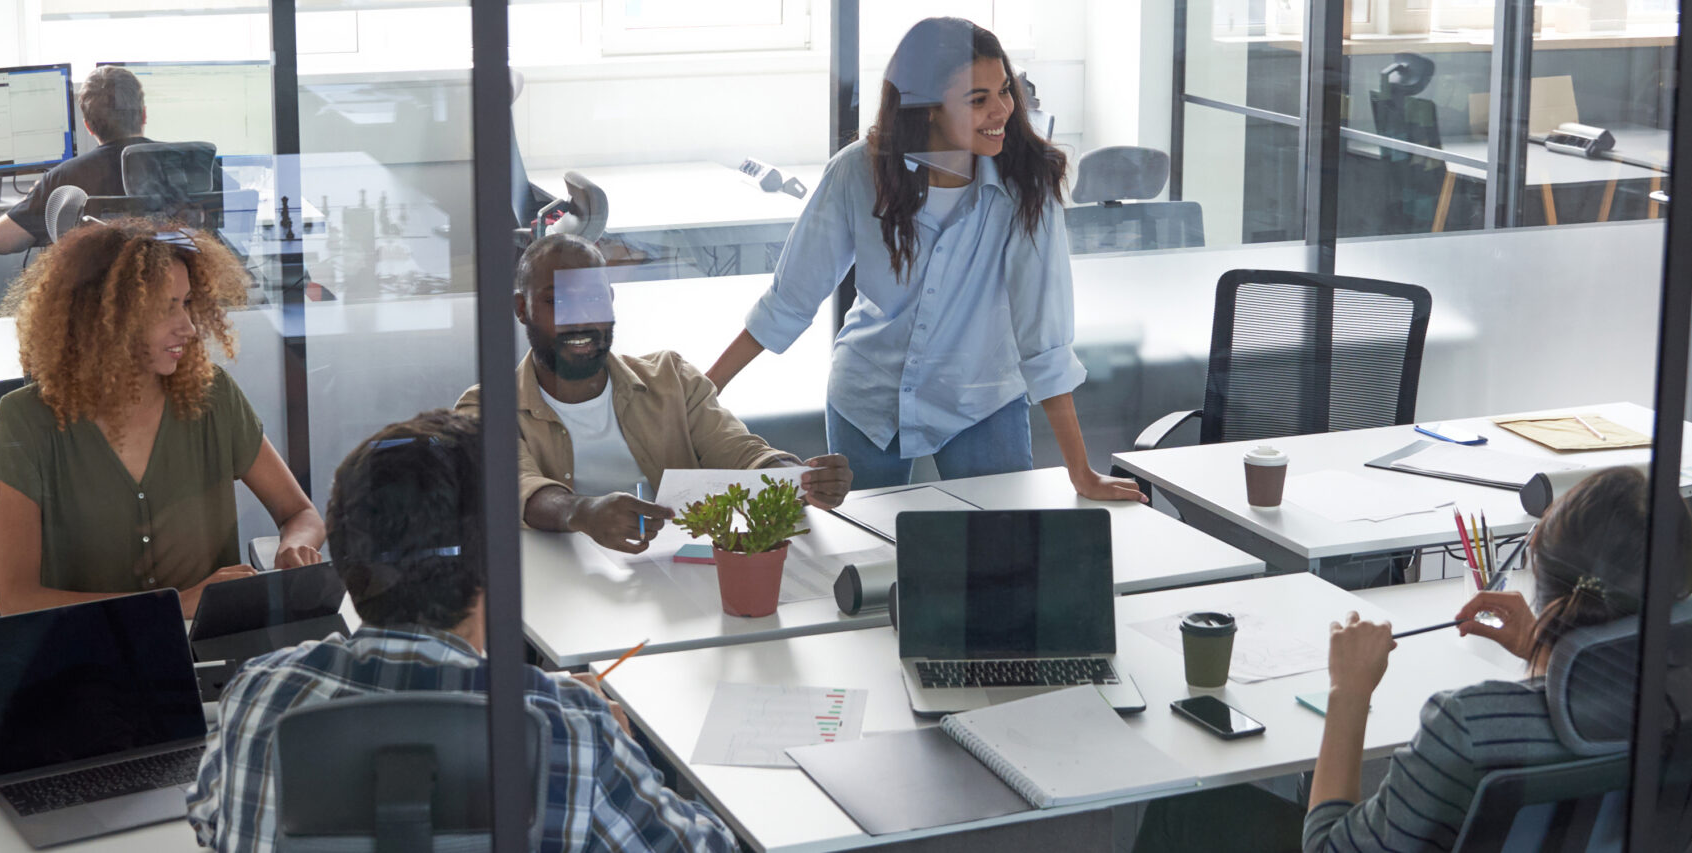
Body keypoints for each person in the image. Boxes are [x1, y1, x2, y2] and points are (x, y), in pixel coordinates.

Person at [186, 410, 735, 852]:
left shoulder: (258, 697)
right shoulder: (564, 726)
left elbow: (211, 824)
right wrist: (613, 742)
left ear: (348, 566)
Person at [1133, 466, 1692, 853]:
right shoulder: (1686, 699)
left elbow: (1330, 848)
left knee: (1181, 810)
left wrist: (1348, 694)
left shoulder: (1471, 723)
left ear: (1544, 579)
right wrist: (1547, 649)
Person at [703, 17, 1143, 501]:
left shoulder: (1027, 186)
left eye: (1004, 90)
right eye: (978, 100)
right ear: (928, 108)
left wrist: (1080, 472)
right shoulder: (857, 171)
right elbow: (789, 300)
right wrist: (701, 395)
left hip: (981, 400)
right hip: (869, 400)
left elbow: (1045, 339)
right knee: (868, 556)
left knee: (1003, 552)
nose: (1002, 110)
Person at [0, 219, 324, 617]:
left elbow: (300, 513)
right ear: (106, 319)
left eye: (186, 303)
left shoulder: (213, 396)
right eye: (167, 309)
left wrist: (294, 546)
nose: (190, 327)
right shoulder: (26, 420)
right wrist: (174, 605)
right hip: (86, 658)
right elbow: (16, 600)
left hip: (206, 654)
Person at [457, 234, 852, 553]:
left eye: (593, 297)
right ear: (521, 309)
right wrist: (584, 512)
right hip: (561, 597)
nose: (580, 317)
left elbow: (740, 453)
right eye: (556, 300)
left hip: (681, 583)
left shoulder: (671, 378)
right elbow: (514, 485)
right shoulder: (486, 407)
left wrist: (800, 480)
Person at [0, 65, 153, 254]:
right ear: (143, 115)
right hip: (175, 281)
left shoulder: (64, 178)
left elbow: (0, 242)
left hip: (98, 283)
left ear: (88, 126)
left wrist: (32, 198)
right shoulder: (185, 162)